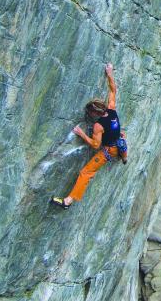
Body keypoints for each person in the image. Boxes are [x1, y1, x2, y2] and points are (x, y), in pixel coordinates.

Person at [51, 63, 128, 209]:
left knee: (86, 172)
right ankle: (124, 157)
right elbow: (113, 89)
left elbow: (95, 145)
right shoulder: (111, 108)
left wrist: (81, 134)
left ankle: (67, 201)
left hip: (109, 150)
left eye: (91, 112)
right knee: (121, 140)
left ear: (96, 113)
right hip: (118, 140)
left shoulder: (98, 126)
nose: (89, 114)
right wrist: (110, 73)